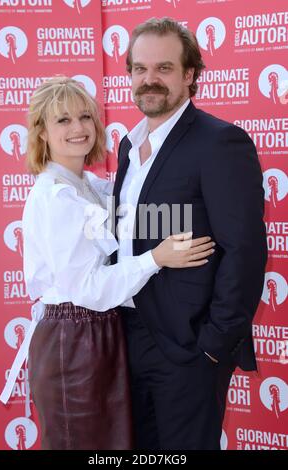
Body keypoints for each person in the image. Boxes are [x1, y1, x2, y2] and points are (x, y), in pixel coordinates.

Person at [0, 77, 215, 450]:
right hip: (73, 341)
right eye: (63, 121)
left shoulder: (92, 186)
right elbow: (87, 288)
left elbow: (139, 217)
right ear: (42, 133)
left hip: (102, 335)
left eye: (85, 116)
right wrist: (156, 259)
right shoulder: (57, 197)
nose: (79, 128)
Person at [112, 18, 267, 450]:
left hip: (188, 346)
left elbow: (245, 251)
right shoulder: (128, 146)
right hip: (125, 337)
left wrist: (213, 346)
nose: (150, 80)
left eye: (163, 68)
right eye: (139, 69)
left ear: (189, 74)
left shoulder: (220, 142)